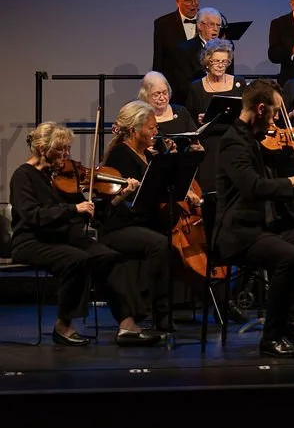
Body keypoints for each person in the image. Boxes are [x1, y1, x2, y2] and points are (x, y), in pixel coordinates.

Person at [212, 79, 294, 357]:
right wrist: (293, 181)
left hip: (269, 226)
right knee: (290, 257)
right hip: (241, 232)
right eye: (275, 112)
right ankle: (271, 338)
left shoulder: (256, 140)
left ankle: (289, 318)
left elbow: (277, 184)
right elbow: (253, 187)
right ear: (260, 109)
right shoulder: (233, 143)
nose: (277, 120)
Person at [9, 122, 162, 346]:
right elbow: (32, 215)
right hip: (31, 241)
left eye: (67, 149)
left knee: (110, 257)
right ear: (43, 149)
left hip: (61, 237)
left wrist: (119, 197)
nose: (66, 154)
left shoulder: (57, 177)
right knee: (77, 259)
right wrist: (73, 209)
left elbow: (89, 211)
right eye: (61, 149)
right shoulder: (23, 176)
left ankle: (127, 325)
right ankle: (63, 326)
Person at [99, 101, 196, 332]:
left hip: (141, 222)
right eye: (151, 128)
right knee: (160, 244)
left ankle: (162, 310)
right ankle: (150, 309)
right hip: (119, 227)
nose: (156, 132)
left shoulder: (147, 154)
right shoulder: (120, 155)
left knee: (168, 241)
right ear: (135, 130)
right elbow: (129, 201)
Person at [185, 37, 245, 191]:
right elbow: (189, 120)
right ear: (207, 62)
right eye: (216, 61)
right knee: (211, 187)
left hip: (234, 141)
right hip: (209, 144)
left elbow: (246, 113)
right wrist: (199, 120)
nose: (220, 65)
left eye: (224, 62)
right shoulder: (196, 87)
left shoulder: (239, 83)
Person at [153, 0, 199, 76]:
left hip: (203, 83)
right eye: (188, 0)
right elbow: (159, 59)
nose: (194, 4)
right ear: (178, 2)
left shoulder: (208, 20)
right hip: (175, 83)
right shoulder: (163, 24)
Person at [139, 70, 197, 136]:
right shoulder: (141, 117)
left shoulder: (181, 112)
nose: (162, 98)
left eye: (165, 93)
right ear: (145, 95)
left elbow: (195, 137)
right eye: (156, 94)